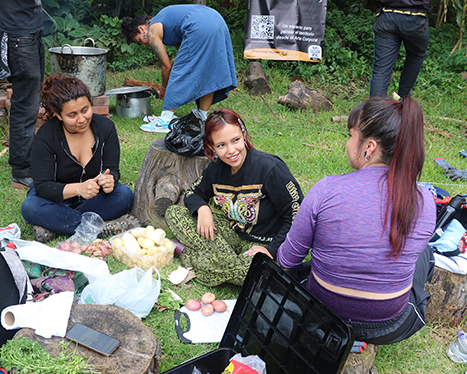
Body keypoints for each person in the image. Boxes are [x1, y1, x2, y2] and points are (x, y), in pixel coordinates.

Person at [277, 97, 436, 345]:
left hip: (322, 316)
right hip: (388, 327)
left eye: (350, 136)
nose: (348, 143)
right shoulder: (425, 200)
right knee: (425, 254)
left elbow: (287, 260)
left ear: (369, 147)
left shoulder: (326, 189)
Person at [165, 108, 303, 287]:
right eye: (221, 145)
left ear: (244, 135)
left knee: (253, 274)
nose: (231, 151)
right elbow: (192, 193)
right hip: (231, 235)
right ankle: (223, 262)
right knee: (174, 213)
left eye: (235, 140)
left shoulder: (270, 168)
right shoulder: (216, 168)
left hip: (263, 244)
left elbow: (297, 214)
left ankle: (188, 255)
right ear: (211, 147)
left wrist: (271, 250)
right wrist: (202, 208)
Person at [21, 75, 135, 240]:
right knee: (30, 207)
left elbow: (113, 170)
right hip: (57, 200)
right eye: (72, 115)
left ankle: (58, 226)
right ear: (58, 115)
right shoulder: (46, 136)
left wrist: (110, 180)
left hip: (93, 199)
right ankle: (100, 227)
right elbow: (44, 187)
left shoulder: (106, 128)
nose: (81, 119)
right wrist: (79, 188)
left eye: (85, 110)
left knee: (124, 194)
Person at [121, 5, 238, 133]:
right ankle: (202, 118)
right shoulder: (167, 20)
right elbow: (184, 55)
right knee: (207, 72)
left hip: (199, 25)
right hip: (217, 20)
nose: (144, 44)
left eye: (140, 40)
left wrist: (164, 88)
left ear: (141, 28)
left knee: (179, 72)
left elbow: (167, 67)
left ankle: (165, 121)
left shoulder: (152, 30)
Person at [0, 0, 46, 190]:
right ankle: (21, 172)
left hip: (29, 35)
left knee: (31, 104)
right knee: (25, 107)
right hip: (19, 39)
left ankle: (27, 164)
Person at [369, 0, 431, 99]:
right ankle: (404, 100)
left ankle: (375, 107)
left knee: (381, 69)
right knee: (415, 56)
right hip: (414, 17)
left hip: (387, 16)